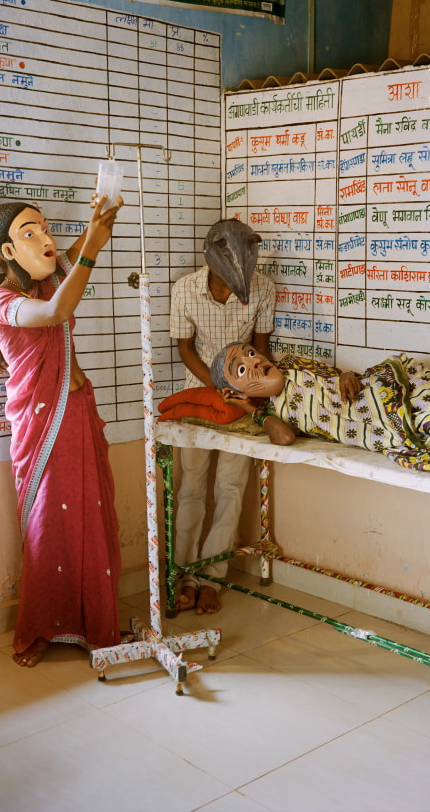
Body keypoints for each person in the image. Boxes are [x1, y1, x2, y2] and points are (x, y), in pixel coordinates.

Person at [0, 193, 124, 667]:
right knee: (47, 527)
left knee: (94, 517)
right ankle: (42, 626)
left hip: (79, 411)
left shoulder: (50, 279)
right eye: (30, 233)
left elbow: (83, 247)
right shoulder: (3, 301)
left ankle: (96, 623)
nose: (46, 238)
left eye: (44, 228)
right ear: (7, 251)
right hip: (41, 425)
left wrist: (101, 219)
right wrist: (91, 248)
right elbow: (56, 314)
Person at [170, 219, 275, 614]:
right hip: (199, 397)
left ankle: (211, 579)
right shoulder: (185, 289)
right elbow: (185, 349)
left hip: (243, 402)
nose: (235, 286)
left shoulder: (263, 288)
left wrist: (248, 392)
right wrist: (216, 387)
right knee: (191, 488)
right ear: (212, 259)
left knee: (231, 487)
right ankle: (184, 576)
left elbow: (261, 348)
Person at [210, 343, 430, 472]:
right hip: (376, 430)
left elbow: (336, 374)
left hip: (380, 395)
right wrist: (249, 408)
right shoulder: (270, 413)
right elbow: (284, 438)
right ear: (235, 391)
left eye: (251, 353)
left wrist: (346, 376)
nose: (255, 361)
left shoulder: (291, 364)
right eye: (242, 369)